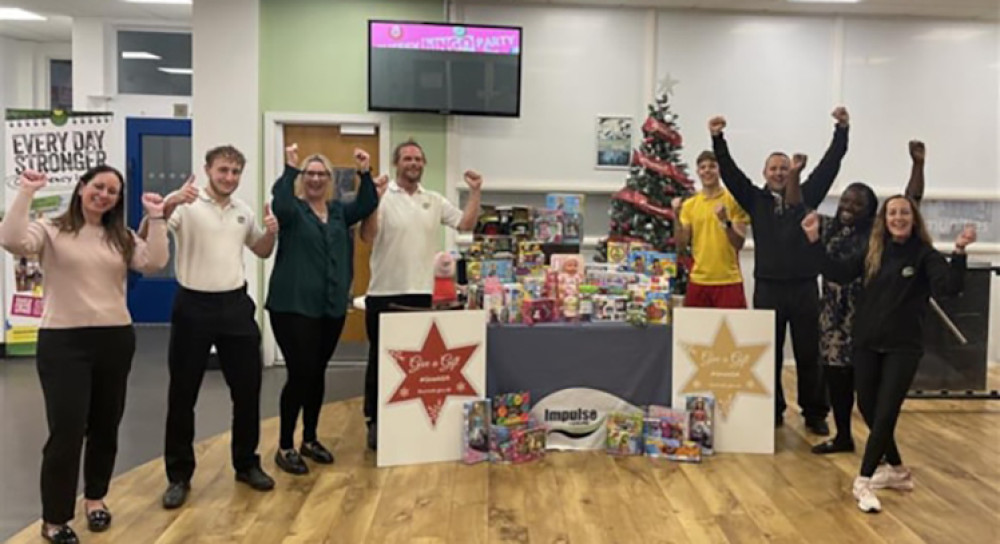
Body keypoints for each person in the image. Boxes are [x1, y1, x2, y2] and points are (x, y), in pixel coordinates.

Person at [0, 167, 168, 544]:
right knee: (67, 431)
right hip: (64, 344)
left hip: (115, 340)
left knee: (106, 427)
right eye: (98, 187)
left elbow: (155, 262)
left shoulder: (120, 236)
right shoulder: (50, 229)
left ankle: (95, 499)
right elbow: (10, 240)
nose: (104, 194)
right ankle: (55, 519)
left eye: (112, 191)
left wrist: (156, 217)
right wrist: (27, 191)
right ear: (81, 189)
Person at [802, 196, 975, 513]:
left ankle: (864, 479)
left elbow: (950, 287)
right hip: (867, 342)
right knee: (867, 405)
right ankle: (896, 470)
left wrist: (960, 251)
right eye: (892, 212)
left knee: (885, 413)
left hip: (903, 347)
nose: (898, 218)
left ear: (914, 218)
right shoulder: (873, 251)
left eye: (904, 213)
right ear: (884, 218)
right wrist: (814, 240)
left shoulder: (924, 255)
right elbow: (838, 272)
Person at [149, 145, 279, 509]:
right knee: (183, 394)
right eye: (223, 170)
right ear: (208, 170)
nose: (229, 178)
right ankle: (178, 476)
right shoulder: (186, 205)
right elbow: (151, 228)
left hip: (235, 306)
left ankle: (246, 463)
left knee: (248, 389)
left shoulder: (243, 211)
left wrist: (271, 232)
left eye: (236, 171)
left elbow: (262, 250)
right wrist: (170, 202)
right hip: (193, 305)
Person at [709, 108, 850, 434]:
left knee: (809, 354)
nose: (779, 172)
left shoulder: (808, 195)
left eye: (784, 168)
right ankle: (772, 410)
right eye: (774, 168)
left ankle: (814, 413)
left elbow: (830, 165)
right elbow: (729, 173)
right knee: (767, 354)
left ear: (792, 172)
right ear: (765, 171)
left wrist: (841, 130)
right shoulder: (755, 199)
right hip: (768, 288)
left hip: (803, 288)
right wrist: (718, 139)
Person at [358, 138, 484, 450]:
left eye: (418, 159)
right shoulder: (383, 197)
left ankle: (414, 420)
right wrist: (372, 200)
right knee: (380, 361)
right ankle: (374, 422)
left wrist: (476, 191)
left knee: (422, 364)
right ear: (396, 163)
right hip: (385, 293)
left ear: (423, 164)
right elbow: (367, 236)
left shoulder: (434, 199)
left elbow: (465, 224)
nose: (413, 163)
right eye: (407, 158)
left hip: (425, 296)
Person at [266, 143, 378, 474]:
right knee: (300, 374)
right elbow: (280, 201)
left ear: (329, 179)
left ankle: (310, 439)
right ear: (303, 178)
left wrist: (365, 171)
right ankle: (285, 445)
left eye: (321, 174)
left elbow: (367, 202)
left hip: (329, 308)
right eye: (309, 174)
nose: (315, 179)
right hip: (292, 307)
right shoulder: (292, 210)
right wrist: (289, 167)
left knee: (316, 373)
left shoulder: (339, 212)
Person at [809, 140, 926, 455]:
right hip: (831, 316)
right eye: (845, 200)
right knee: (835, 379)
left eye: (857, 203)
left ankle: (884, 449)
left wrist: (918, 165)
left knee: (868, 391)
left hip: (864, 317)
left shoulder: (877, 233)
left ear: (870, 209)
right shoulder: (831, 226)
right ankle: (843, 436)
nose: (848, 206)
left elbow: (911, 200)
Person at [672, 150, 750, 308]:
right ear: (698, 172)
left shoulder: (734, 201)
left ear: (719, 170)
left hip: (729, 280)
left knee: (734, 332)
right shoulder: (690, 205)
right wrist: (675, 216)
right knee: (694, 332)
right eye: (703, 167)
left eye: (712, 166)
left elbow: (739, 243)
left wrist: (725, 221)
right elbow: (681, 245)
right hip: (699, 281)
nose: (707, 170)